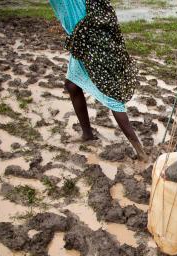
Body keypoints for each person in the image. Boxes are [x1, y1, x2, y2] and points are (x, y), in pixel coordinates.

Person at [49, 0, 147, 160]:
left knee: (112, 98)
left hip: (92, 46)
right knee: (72, 85)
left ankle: (140, 152)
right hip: (84, 42)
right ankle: (87, 135)